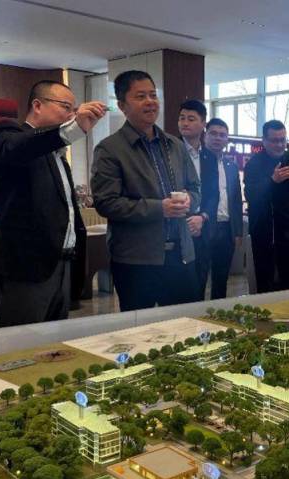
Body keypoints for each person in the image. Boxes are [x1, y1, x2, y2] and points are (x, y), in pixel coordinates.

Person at [0, 80, 106, 327]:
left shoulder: (57, 155)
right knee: (21, 344)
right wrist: (73, 129)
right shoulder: (8, 134)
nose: (71, 115)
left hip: (61, 268)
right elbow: (21, 147)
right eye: (65, 107)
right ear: (37, 105)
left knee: (54, 344)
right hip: (24, 270)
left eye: (74, 109)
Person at [91, 70, 201, 311]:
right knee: (141, 328)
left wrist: (189, 201)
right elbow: (106, 202)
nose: (150, 102)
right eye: (140, 96)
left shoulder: (175, 145)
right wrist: (159, 208)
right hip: (136, 261)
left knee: (185, 324)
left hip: (181, 255)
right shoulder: (110, 149)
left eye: (153, 95)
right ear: (122, 105)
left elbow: (195, 188)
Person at [244, 120, 289, 293]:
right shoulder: (254, 163)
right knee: (265, 280)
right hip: (264, 232)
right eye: (275, 140)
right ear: (264, 141)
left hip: (288, 231)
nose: (280, 144)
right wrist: (272, 181)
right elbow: (251, 195)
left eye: (283, 140)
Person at [178, 99, 218, 300]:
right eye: (182, 118)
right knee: (178, 289)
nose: (185, 123)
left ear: (203, 124)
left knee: (199, 285)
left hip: (202, 229)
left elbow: (213, 194)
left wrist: (202, 217)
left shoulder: (209, 157)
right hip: (177, 228)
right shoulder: (171, 151)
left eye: (191, 119)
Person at [200, 117, 243, 298]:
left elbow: (236, 200)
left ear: (227, 140)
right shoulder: (197, 162)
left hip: (226, 230)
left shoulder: (231, 166)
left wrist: (238, 231)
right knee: (199, 278)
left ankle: (217, 312)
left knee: (221, 278)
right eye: (213, 134)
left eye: (222, 135)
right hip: (203, 227)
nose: (218, 138)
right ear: (205, 136)